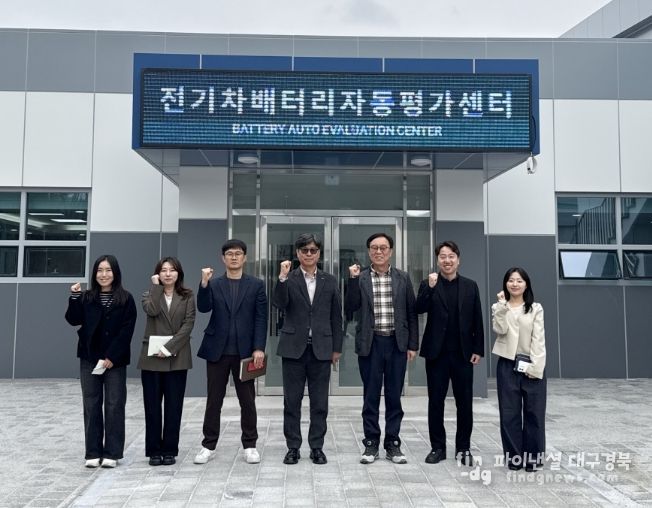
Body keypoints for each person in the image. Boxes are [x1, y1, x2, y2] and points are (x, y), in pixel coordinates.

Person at [344, 232, 418, 464]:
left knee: (394, 396)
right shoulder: (361, 278)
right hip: (371, 344)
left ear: (391, 251)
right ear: (369, 252)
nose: (379, 251)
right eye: (374, 248)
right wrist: (352, 280)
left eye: (383, 248)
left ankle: (393, 443)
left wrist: (413, 344)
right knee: (371, 396)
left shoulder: (403, 278)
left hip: (396, 344)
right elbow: (350, 307)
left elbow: (411, 313)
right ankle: (371, 443)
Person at [193, 239, 267, 465]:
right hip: (218, 351)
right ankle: (208, 445)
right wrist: (204, 283)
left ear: (245, 258)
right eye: (229, 254)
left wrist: (259, 348)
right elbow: (203, 307)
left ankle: (250, 445)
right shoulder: (214, 284)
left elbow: (261, 318)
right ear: (223, 258)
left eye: (238, 253)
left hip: (246, 353)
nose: (234, 257)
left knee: (248, 401)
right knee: (214, 400)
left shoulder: (256, 285)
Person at [273, 233, 343, 465]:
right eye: (304, 250)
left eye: (313, 250)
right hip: (293, 349)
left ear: (319, 254)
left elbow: (336, 316)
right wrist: (282, 278)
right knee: (291, 402)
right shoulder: (289, 278)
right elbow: (279, 303)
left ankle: (316, 447)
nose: (309, 254)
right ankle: (293, 447)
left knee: (320, 403)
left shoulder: (329, 280)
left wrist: (336, 348)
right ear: (297, 253)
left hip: (321, 349)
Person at [65, 254, 137, 468]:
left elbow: (127, 330)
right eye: (99, 270)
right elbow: (73, 319)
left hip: (115, 361)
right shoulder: (87, 297)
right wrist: (74, 297)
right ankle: (93, 452)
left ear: (115, 273)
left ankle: (112, 453)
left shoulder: (126, 298)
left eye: (108, 270)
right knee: (91, 403)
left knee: (115, 405)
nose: (103, 274)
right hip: (89, 358)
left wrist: (111, 356)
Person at [416, 240, 484, 466]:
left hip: (463, 354)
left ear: (458, 260)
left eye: (451, 256)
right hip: (437, 354)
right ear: (437, 260)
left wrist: (478, 348)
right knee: (436, 402)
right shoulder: (429, 283)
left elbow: (477, 318)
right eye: (443, 257)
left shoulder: (470, 286)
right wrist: (429, 288)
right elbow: (418, 308)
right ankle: (438, 447)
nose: (447, 260)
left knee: (464, 403)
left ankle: (463, 448)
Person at [138, 256, 196, 466]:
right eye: (163, 270)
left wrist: (168, 348)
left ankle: (170, 450)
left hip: (177, 357)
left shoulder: (188, 296)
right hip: (152, 359)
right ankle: (154, 450)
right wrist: (156, 287)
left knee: (174, 407)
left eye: (172, 270)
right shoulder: (149, 295)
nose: (168, 274)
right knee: (152, 407)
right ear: (157, 274)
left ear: (179, 273)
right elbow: (152, 310)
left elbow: (188, 324)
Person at [492, 267, 546, 472]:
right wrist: (501, 306)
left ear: (526, 284)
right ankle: (514, 458)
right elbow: (500, 330)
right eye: (511, 280)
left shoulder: (535, 308)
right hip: (507, 364)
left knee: (534, 414)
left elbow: (538, 339)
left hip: (531, 363)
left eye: (519, 280)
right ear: (505, 284)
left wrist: (536, 367)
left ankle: (533, 459)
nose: (514, 284)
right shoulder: (499, 307)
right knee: (509, 414)